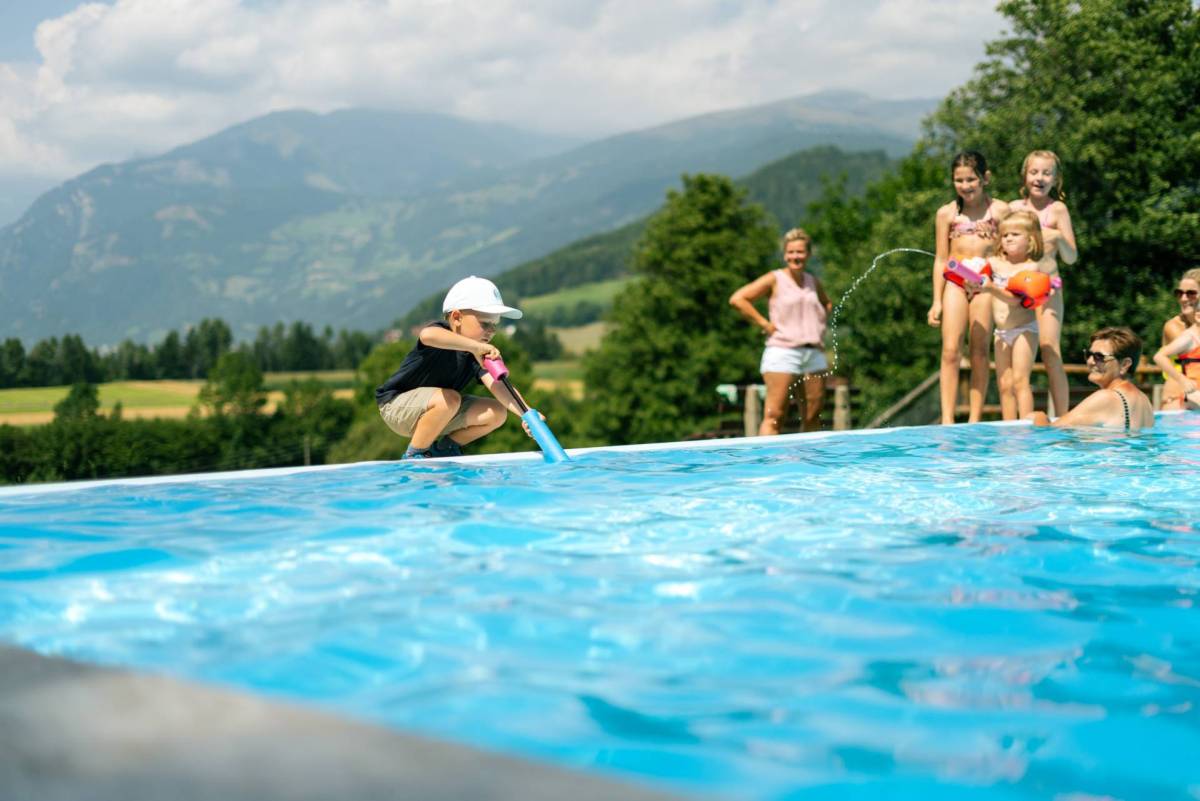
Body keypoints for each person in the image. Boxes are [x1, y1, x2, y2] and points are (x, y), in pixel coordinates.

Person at [376, 276, 532, 459]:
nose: (492, 331)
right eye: (485, 323)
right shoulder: (442, 333)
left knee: (496, 412)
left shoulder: (478, 355)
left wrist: (527, 414)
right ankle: (414, 455)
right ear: (457, 318)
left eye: (494, 325)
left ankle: (444, 449)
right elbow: (427, 335)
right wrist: (475, 347)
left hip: (441, 412)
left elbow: (499, 385)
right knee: (449, 399)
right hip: (396, 407)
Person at [929, 151, 1009, 424]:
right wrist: (936, 301)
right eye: (959, 180)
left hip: (985, 283)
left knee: (979, 350)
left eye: (971, 180)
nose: (965, 186)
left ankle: (975, 418)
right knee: (951, 350)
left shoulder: (1000, 211)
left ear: (985, 178)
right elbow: (941, 258)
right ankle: (947, 419)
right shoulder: (947, 214)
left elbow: (1010, 252)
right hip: (956, 280)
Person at [729, 227, 832, 434]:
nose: (796, 256)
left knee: (813, 417)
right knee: (775, 416)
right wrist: (764, 324)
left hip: (813, 353)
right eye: (791, 252)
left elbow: (827, 304)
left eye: (800, 252)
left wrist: (818, 326)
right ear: (785, 255)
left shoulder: (812, 281)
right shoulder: (775, 279)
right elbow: (738, 299)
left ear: (808, 254)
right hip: (783, 352)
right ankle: (767, 455)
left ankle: (809, 454)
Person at [1009, 150, 1078, 415]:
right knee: (1014, 356)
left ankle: (1062, 415)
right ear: (1024, 176)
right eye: (1034, 172)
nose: (1039, 178)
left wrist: (1058, 237)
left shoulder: (1057, 210)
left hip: (1048, 290)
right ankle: (1015, 418)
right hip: (1017, 290)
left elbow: (1071, 258)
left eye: (1047, 173)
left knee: (1050, 350)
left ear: (1056, 179)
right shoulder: (1013, 208)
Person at [969, 211, 1046, 419]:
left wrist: (990, 288)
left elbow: (1016, 300)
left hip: (1024, 330)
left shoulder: (1031, 267)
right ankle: (1009, 427)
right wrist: (971, 281)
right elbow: (979, 280)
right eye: (1004, 235)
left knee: (1020, 381)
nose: (1008, 238)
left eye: (1015, 234)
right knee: (1004, 384)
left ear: (1030, 241)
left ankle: (1026, 425)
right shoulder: (994, 263)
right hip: (1001, 332)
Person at [1029, 327, 1154, 431]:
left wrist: (1040, 417)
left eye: (1099, 357)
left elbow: (1049, 433)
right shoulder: (1145, 401)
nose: (1090, 361)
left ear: (1125, 364)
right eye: (1089, 355)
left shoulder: (1106, 398)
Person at [1155, 268, 1200, 410]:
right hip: (1176, 401)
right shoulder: (1175, 327)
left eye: (1191, 293)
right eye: (1179, 293)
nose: (1183, 299)